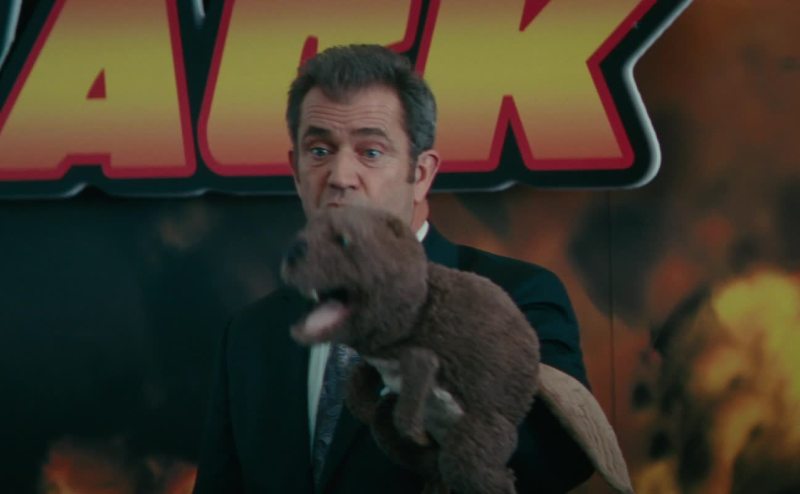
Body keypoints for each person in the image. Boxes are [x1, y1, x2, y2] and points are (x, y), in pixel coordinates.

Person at [193, 44, 594, 493]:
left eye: (371, 152)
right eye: (319, 150)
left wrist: (442, 411)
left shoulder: (519, 295)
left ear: (420, 174)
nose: (340, 176)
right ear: (296, 170)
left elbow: (558, 462)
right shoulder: (251, 333)